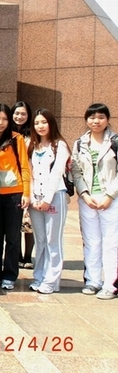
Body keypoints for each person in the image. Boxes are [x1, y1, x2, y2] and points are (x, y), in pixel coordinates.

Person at [71, 103, 118, 300]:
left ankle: (111, 285)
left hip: (111, 199)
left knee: (111, 242)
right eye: (91, 117)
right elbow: (75, 171)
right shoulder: (80, 143)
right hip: (88, 199)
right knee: (91, 241)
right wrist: (84, 194)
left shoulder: (115, 141)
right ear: (86, 120)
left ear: (107, 119)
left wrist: (110, 195)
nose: (96, 121)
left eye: (100, 117)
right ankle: (92, 281)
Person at [0, 103, 31, 291]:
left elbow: (25, 166)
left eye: (4, 119)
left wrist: (26, 192)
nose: (1, 123)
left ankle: (10, 275)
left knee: (12, 237)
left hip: (14, 194)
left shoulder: (16, 139)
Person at [27, 109, 70, 294]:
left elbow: (57, 173)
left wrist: (46, 199)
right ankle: (39, 277)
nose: (40, 126)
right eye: (37, 123)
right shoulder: (32, 145)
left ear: (51, 123)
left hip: (54, 197)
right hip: (35, 200)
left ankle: (51, 281)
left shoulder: (59, 145)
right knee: (41, 240)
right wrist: (31, 198)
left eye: (44, 122)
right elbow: (29, 174)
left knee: (53, 240)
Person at [12, 100, 34, 269]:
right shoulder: (8, 133)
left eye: (23, 114)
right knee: (15, 221)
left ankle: (28, 257)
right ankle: (17, 256)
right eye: (17, 113)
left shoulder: (33, 135)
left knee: (29, 222)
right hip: (12, 182)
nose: (19, 117)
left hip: (30, 180)